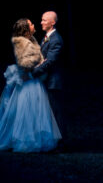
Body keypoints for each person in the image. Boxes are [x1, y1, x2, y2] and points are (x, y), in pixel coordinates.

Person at [0, 18, 61, 153]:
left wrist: (40, 61)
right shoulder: (22, 43)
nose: (35, 25)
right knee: (26, 110)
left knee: (34, 112)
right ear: (26, 30)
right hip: (28, 82)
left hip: (33, 81)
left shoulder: (31, 40)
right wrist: (40, 62)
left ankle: (33, 138)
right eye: (31, 24)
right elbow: (24, 63)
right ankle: (24, 139)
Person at [32, 11, 66, 140]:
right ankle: (52, 139)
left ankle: (61, 142)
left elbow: (50, 61)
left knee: (56, 113)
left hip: (53, 82)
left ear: (53, 22)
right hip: (46, 80)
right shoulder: (47, 37)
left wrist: (33, 72)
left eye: (44, 20)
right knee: (49, 113)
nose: (41, 22)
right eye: (42, 19)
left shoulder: (56, 39)